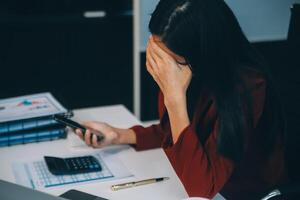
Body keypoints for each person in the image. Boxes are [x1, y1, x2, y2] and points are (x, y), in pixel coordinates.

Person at [75, 0, 289, 199]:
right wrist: (118, 135)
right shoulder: (190, 71)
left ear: (201, 53)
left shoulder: (249, 86)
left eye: (170, 61)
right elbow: (175, 133)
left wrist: (174, 96)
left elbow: (201, 189)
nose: (162, 67)